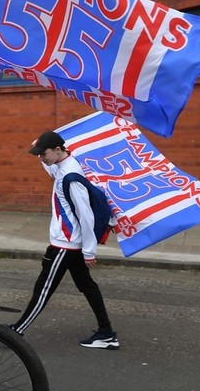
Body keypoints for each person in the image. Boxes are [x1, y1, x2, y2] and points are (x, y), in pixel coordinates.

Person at [9, 130, 119, 350]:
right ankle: (106, 333)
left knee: (43, 288)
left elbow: (86, 216)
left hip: (66, 245)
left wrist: (89, 251)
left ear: (58, 150)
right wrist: (40, 149)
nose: (41, 158)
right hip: (69, 243)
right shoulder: (62, 165)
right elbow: (51, 168)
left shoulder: (71, 177)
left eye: (43, 154)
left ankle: (16, 331)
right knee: (87, 286)